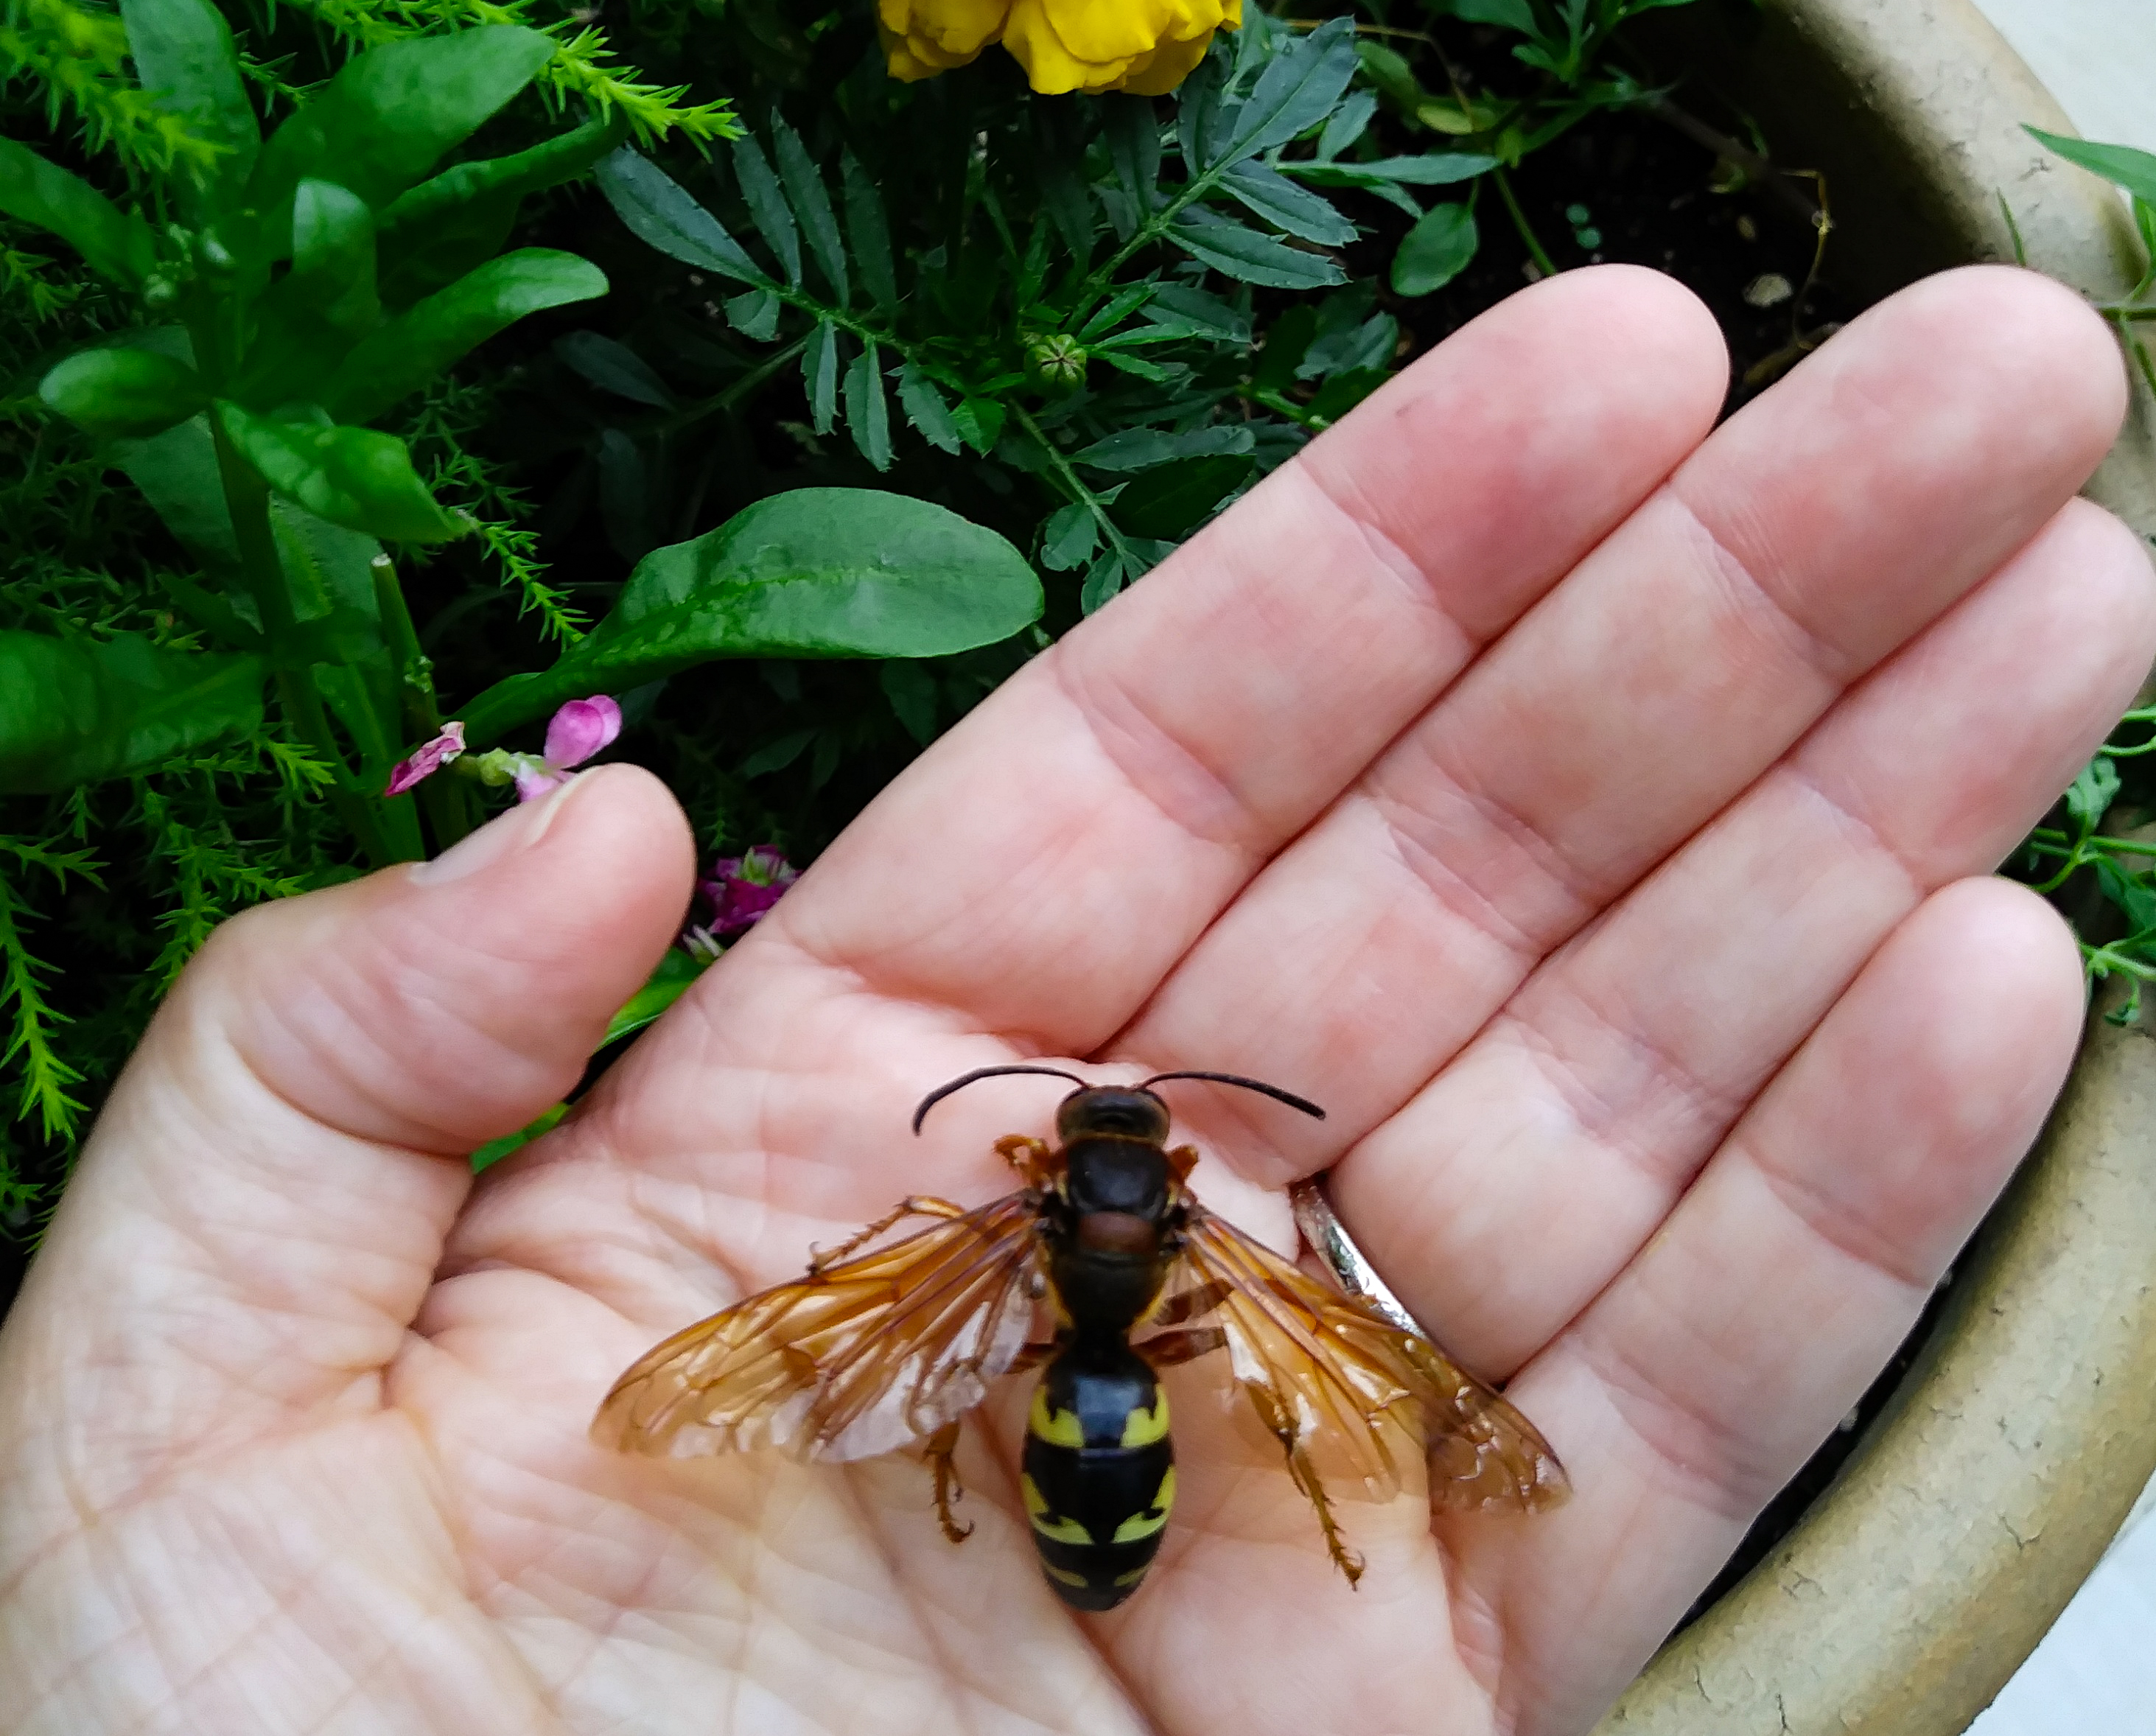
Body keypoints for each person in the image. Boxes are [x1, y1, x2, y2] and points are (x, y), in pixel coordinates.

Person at [1, 265, 2149, 1736]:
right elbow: (1299, 1357)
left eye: (1084, 1151)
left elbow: (847, 1338)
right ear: (1150, 1191)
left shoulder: (992, 1249)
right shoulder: (1223, 1266)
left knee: (984, 1361)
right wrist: (1367, 1425)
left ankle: (1032, 1492)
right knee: (1301, 1398)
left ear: (1043, 1182)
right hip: (1109, 1464)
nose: (1103, 1154)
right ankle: (1158, 1500)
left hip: (1055, 1450)